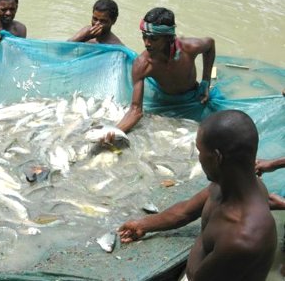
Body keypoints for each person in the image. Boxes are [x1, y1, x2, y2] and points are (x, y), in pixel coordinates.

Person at [118, 110, 277, 281]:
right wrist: (143, 225)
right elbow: (185, 211)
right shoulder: (227, 185)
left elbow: (196, 277)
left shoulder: (242, 239)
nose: (199, 158)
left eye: (200, 151)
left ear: (217, 157)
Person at [113, 7, 215, 133]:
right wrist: (114, 131)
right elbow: (135, 110)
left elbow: (210, 45)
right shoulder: (143, 64)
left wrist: (205, 82)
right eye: (144, 36)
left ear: (169, 37)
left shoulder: (189, 48)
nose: (147, 43)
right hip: (163, 101)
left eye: (153, 38)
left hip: (192, 97)